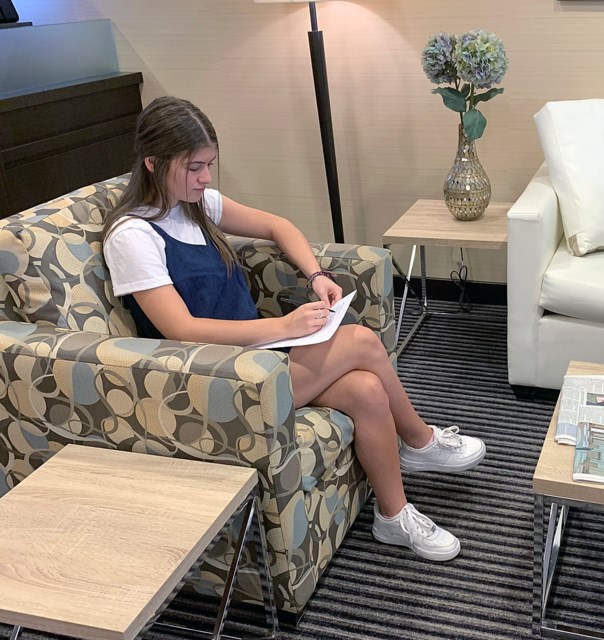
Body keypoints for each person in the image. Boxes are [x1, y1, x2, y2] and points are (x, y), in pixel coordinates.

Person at [102, 96, 486, 562]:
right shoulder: (133, 235)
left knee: (366, 389)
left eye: (209, 166)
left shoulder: (195, 205)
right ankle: (420, 440)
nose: (205, 178)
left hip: (256, 359)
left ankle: (393, 516)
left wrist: (316, 276)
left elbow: (279, 226)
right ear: (153, 163)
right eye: (195, 167)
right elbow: (180, 328)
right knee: (362, 341)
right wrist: (280, 326)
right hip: (212, 379)